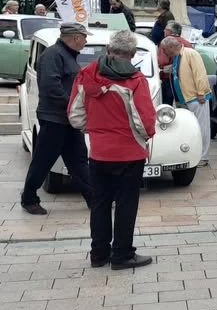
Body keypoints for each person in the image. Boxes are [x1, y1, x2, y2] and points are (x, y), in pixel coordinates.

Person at [68, 30, 156, 269]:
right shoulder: (136, 80)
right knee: (127, 205)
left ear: (108, 50)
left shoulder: (87, 74)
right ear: (133, 54)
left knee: (100, 203)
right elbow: (145, 120)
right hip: (129, 152)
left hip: (99, 151)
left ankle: (98, 254)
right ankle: (122, 254)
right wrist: (143, 138)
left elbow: (75, 115)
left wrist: (95, 130)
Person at [20, 23, 94, 215]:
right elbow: (50, 88)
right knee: (43, 160)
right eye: (84, 37)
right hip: (54, 119)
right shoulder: (53, 55)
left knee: (78, 160)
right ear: (75, 37)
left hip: (68, 119)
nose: (86, 41)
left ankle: (93, 198)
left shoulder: (67, 55)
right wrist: (73, 105)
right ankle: (28, 198)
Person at [160, 37, 212, 166]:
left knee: (201, 127)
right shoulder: (178, 56)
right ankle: (195, 154)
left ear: (171, 47)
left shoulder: (191, 53)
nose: (164, 53)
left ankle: (203, 156)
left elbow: (199, 73)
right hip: (186, 98)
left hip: (196, 97)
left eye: (165, 50)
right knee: (192, 128)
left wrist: (201, 93)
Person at [157, 21, 193, 105]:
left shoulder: (166, 42)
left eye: (165, 29)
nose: (163, 31)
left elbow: (162, 61)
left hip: (168, 77)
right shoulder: (187, 43)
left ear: (170, 31)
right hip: (185, 77)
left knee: (167, 103)